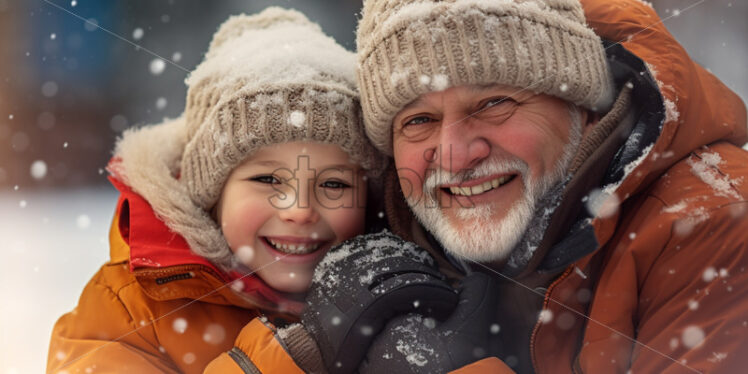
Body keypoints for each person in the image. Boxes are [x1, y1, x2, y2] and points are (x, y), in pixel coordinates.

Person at [235, 0, 748, 373]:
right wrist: (303, 354)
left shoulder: (713, 225)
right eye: (418, 121)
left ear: (586, 111)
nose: (455, 154)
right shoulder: (373, 229)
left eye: (494, 103)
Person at [46, 7, 384, 374]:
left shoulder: (402, 290)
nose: (300, 209)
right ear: (212, 196)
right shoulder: (130, 309)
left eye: (334, 184)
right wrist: (274, 363)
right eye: (267, 180)